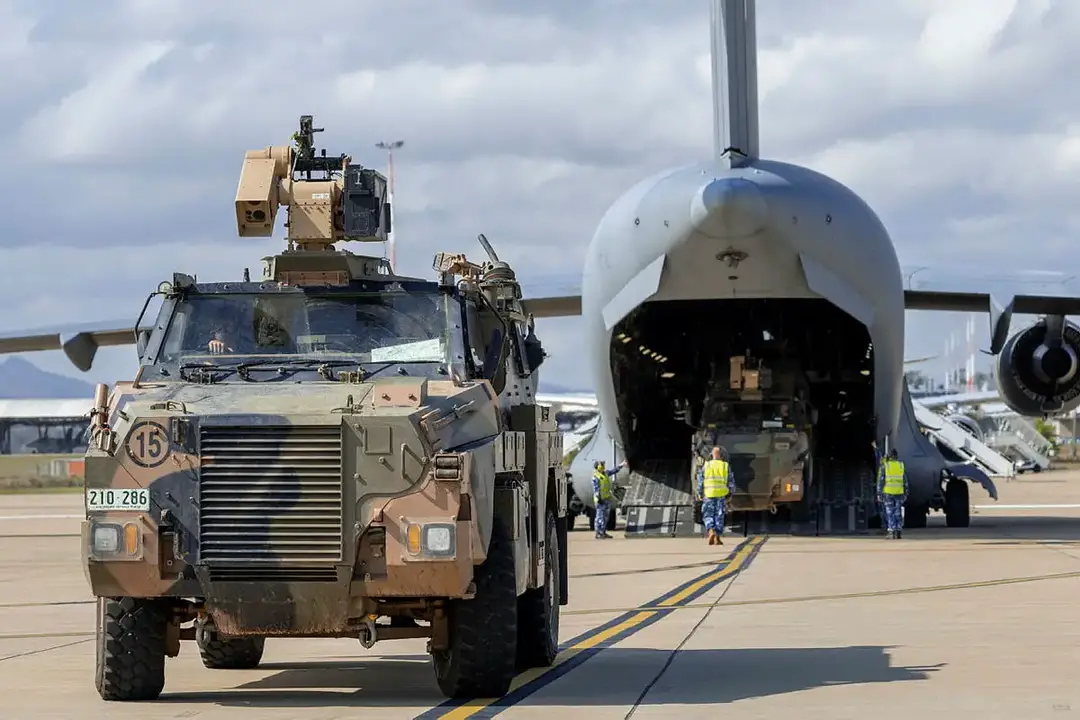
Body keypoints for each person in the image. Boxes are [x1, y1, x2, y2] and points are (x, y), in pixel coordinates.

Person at [697, 446, 732, 545]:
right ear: (721, 456)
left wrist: (700, 493)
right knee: (719, 515)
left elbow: (701, 481)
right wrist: (730, 494)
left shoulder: (706, 466)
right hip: (721, 494)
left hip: (708, 494)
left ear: (712, 455)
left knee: (708, 515)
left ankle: (711, 531)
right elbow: (730, 482)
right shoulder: (725, 466)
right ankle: (717, 537)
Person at [592, 459, 627, 539]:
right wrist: (598, 498)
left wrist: (621, 465)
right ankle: (598, 533)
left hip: (607, 499)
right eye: (602, 464)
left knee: (605, 517)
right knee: (600, 516)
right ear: (598, 466)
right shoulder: (596, 477)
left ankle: (603, 532)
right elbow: (596, 489)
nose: (604, 466)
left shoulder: (605, 473)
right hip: (600, 500)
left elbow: (614, 470)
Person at [878, 447, 908, 539]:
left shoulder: (885, 466)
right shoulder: (900, 465)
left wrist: (879, 493)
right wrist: (906, 492)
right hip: (899, 492)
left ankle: (891, 530)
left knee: (889, 512)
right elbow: (905, 480)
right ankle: (898, 531)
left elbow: (881, 481)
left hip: (888, 493)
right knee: (898, 512)